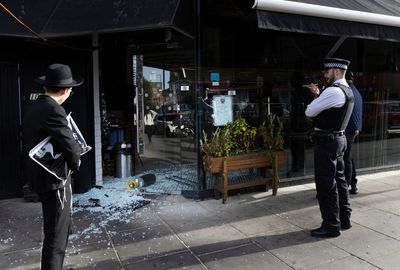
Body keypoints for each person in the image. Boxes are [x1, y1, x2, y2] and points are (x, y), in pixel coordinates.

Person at [23, 64, 83, 270]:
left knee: (56, 231)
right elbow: (70, 146)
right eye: (71, 89)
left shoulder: (35, 107)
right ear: (65, 90)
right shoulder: (54, 110)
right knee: (56, 239)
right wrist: (77, 162)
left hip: (40, 179)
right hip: (54, 182)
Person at [305, 58, 354, 238]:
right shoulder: (346, 90)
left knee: (326, 184)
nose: (325, 75)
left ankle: (331, 225)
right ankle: (344, 219)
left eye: (327, 72)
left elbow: (309, 112)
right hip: (339, 139)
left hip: (327, 142)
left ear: (336, 71)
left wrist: (317, 97)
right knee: (340, 181)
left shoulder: (333, 91)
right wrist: (320, 95)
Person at [344, 71, 362, 195]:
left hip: (348, 130)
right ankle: (353, 184)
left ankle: (346, 186)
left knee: (345, 159)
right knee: (348, 157)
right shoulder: (356, 91)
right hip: (353, 129)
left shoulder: (346, 92)